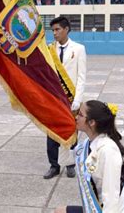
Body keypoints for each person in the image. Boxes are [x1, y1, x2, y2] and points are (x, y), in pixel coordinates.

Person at [54, 100, 124, 213]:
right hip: (94, 206)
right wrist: (64, 138)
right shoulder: (87, 143)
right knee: (59, 211)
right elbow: (64, 160)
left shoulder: (108, 151)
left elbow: (111, 198)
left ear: (91, 122)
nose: (75, 117)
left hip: (109, 209)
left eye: (80, 114)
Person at [44, 16, 87, 180]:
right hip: (53, 99)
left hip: (71, 98)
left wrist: (77, 99)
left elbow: (81, 77)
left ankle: (70, 164)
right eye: (53, 30)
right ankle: (54, 165)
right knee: (51, 132)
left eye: (57, 30)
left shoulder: (79, 49)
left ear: (66, 29)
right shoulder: (49, 50)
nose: (54, 33)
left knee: (71, 131)